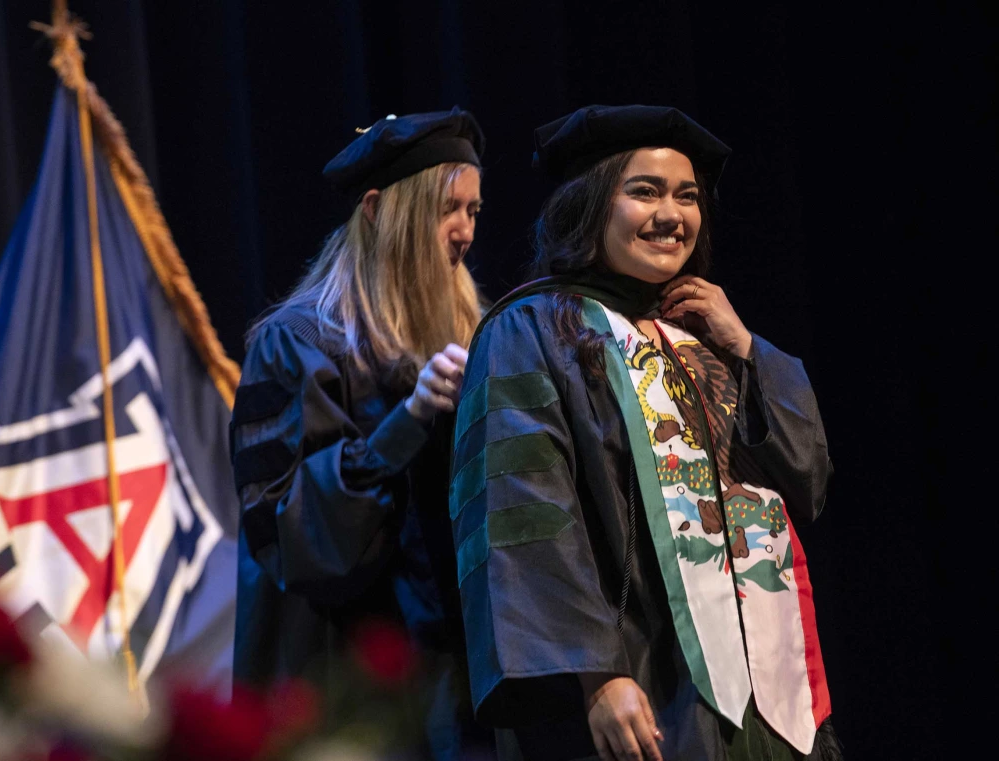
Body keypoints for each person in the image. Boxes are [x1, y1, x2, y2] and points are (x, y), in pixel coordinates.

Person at [450, 105, 841, 761]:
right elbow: (528, 510)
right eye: (645, 192)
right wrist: (594, 671)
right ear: (590, 205)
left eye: (687, 197)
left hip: (771, 695)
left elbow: (806, 479)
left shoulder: (702, 332)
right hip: (643, 688)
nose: (672, 215)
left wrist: (746, 349)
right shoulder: (533, 329)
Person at [230, 108, 492, 759]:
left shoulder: (474, 335)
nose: (464, 232)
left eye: (475, 210)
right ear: (378, 210)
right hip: (341, 682)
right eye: (446, 210)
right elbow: (290, 533)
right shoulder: (296, 344)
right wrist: (403, 428)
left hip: (456, 678)